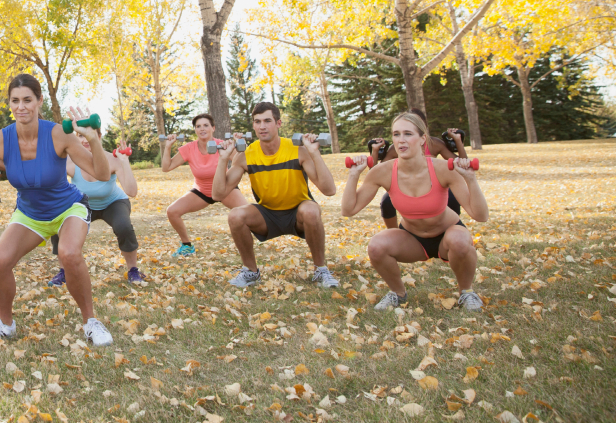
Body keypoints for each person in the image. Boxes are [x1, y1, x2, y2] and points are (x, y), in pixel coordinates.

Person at [0, 74, 115, 346]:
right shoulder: (0, 141)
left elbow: (99, 173)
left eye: (27, 100)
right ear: (10, 104)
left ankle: (91, 322)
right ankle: (6, 325)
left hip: (68, 208)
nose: (21, 107)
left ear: (39, 101)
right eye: (15, 101)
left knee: (69, 253)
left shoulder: (59, 134)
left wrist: (93, 140)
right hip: (30, 214)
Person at [342, 112, 489, 311]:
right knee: (377, 246)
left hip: (448, 235)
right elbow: (349, 209)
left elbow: (480, 216)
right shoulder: (383, 171)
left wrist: (471, 179)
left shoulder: (443, 169)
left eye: (408, 134)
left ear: (422, 139)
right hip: (413, 239)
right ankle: (398, 293)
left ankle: (467, 293)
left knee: (460, 241)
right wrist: (353, 175)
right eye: (396, 134)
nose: (400, 140)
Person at [211, 102, 340, 289]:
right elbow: (217, 194)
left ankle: (320, 269)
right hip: (268, 215)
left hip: (298, 213)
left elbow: (329, 190)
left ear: (278, 123)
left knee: (312, 210)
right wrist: (223, 159)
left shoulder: (297, 149)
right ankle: (250, 271)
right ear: (253, 126)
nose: (262, 126)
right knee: (236, 215)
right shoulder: (247, 155)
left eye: (267, 121)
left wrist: (314, 153)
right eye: (257, 122)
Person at [48, 136, 145, 285]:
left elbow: (131, 191)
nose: (85, 139)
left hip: (113, 202)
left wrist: (124, 161)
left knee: (123, 226)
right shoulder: (70, 161)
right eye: (81, 135)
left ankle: (133, 270)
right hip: (83, 205)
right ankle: (64, 272)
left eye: (90, 133)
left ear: (98, 137)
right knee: (59, 226)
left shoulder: (112, 159)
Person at [160, 114, 250, 256]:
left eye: (206, 125)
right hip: (202, 191)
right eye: (198, 126)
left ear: (213, 128)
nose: (202, 129)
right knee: (172, 211)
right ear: (195, 130)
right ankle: (187, 246)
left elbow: (245, 161)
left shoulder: (223, 145)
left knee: (249, 214)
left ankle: (250, 245)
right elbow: (166, 167)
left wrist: (241, 144)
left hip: (225, 189)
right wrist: (167, 147)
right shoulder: (189, 148)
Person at [369, 109, 469, 228]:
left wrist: (458, 141)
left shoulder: (434, 144)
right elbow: (376, 172)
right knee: (386, 201)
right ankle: (395, 232)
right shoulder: (399, 147)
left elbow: (461, 164)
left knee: (451, 197)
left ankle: (451, 228)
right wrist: (375, 151)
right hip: (406, 186)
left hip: (434, 186)